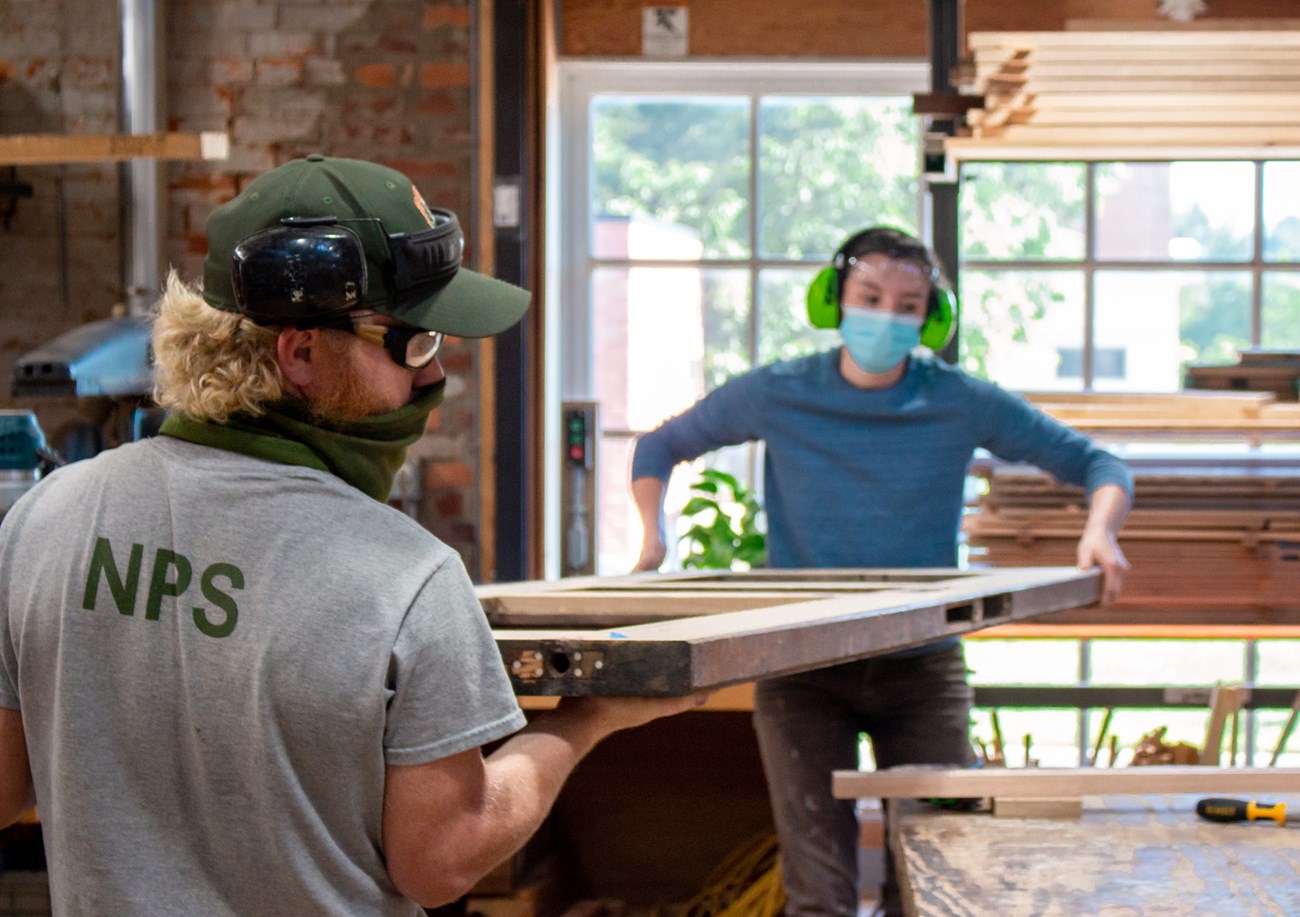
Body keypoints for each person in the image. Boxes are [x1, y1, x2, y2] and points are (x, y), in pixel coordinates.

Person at [0, 154, 701, 916]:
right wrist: (586, 720)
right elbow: (441, 855)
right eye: (415, 344)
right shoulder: (408, 578)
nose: (433, 381)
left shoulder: (48, 516)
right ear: (300, 352)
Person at [629, 226, 1133, 917]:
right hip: (801, 662)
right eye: (870, 296)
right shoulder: (779, 391)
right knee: (819, 892)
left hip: (921, 664)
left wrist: (1100, 532)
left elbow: (1100, 464)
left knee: (933, 879)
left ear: (932, 317)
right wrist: (651, 540)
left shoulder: (959, 399)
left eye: (908, 304)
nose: (888, 316)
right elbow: (660, 446)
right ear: (835, 300)